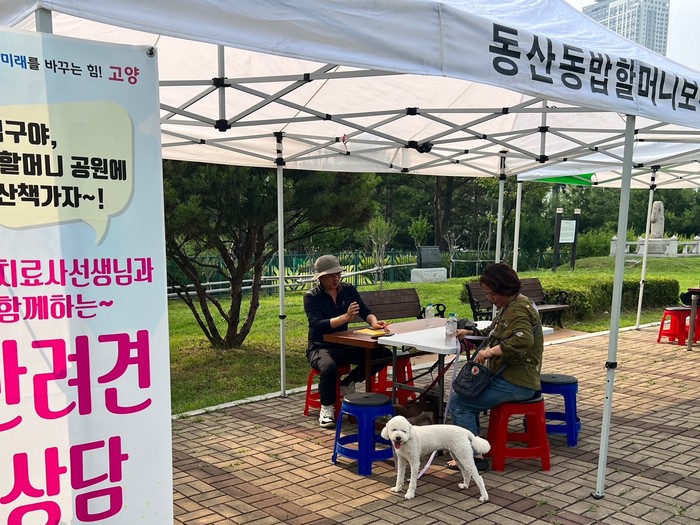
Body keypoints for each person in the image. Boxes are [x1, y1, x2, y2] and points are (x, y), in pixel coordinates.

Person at [448, 262, 544, 472]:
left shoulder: (518, 309)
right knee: (467, 394)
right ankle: (476, 449)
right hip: (513, 378)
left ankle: (473, 458)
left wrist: (490, 352)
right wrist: (471, 333)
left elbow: (523, 340)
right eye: (486, 293)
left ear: (506, 289)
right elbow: (495, 332)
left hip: (517, 382)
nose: (490, 298)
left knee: (459, 403)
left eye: (492, 293)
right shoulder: (513, 304)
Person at [304, 254, 393, 428]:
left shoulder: (348, 290)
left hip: (344, 345)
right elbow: (317, 325)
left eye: (338, 274)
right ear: (320, 277)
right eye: (331, 275)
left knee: (383, 354)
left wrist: (374, 322)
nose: (336, 278)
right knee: (329, 367)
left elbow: (364, 310)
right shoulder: (311, 297)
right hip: (320, 347)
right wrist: (344, 318)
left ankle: (347, 383)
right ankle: (327, 408)